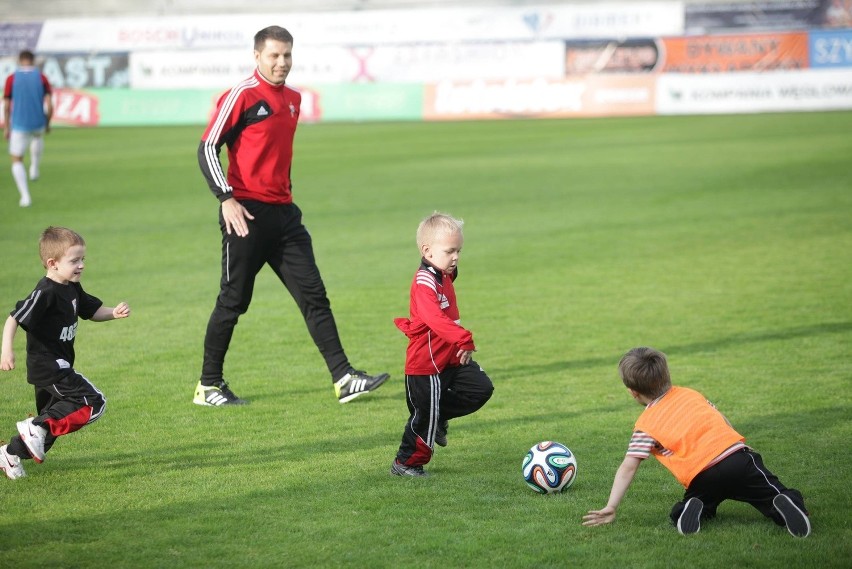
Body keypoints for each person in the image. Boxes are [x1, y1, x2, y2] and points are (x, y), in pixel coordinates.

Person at [195, 25, 388, 407]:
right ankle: (208, 386)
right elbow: (207, 148)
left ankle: (344, 377)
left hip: (286, 217)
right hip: (245, 215)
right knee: (233, 302)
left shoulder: (294, 99)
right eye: (274, 56)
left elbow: (275, 156)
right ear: (257, 57)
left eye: (287, 55)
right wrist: (226, 198)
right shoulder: (241, 95)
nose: (282, 63)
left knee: (315, 296)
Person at [582, 347, 810, 537]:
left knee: (696, 502)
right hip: (737, 459)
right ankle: (783, 503)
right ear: (667, 375)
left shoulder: (645, 425)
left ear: (633, 392)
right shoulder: (690, 394)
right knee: (775, 492)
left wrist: (611, 506)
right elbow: (720, 418)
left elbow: (628, 466)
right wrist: (735, 440)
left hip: (702, 475)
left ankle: (689, 511)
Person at [0, 227, 130, 480]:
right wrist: (6, 352)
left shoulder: (71, 287)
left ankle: (9, 453)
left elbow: (92, 311)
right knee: (94, 402)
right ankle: (33, 427)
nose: (81, 265)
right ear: (53, 263)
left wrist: (114, 312)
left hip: (57, 366)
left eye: (83, 259)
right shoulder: (45, 292)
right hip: (49, 366)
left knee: (51, 427)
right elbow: (13, 318)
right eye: (74, 260)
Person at [390, 213, 494, 477]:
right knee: (424, 419)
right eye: (450, 251)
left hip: (450, 359)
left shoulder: (444, 273)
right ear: (427, 251)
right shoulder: (424, 282)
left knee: (480, 389)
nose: (456, 257)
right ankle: (405, 463)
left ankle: (439, 416)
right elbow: (434, 318)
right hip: (426, 364)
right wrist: (463, 337)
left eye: (459, 250)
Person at [3, 49, 53, 207]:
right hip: (38, 120)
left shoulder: (12, 78)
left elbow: (6, 104)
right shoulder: (41, 77)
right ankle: (35, 168)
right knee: (37, 137)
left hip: (19, 123)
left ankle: (25, 196)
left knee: (16, 159)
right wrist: (48, 122)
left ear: (19, 60)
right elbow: (50, 104)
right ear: (33, 60)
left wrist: (6, 126)